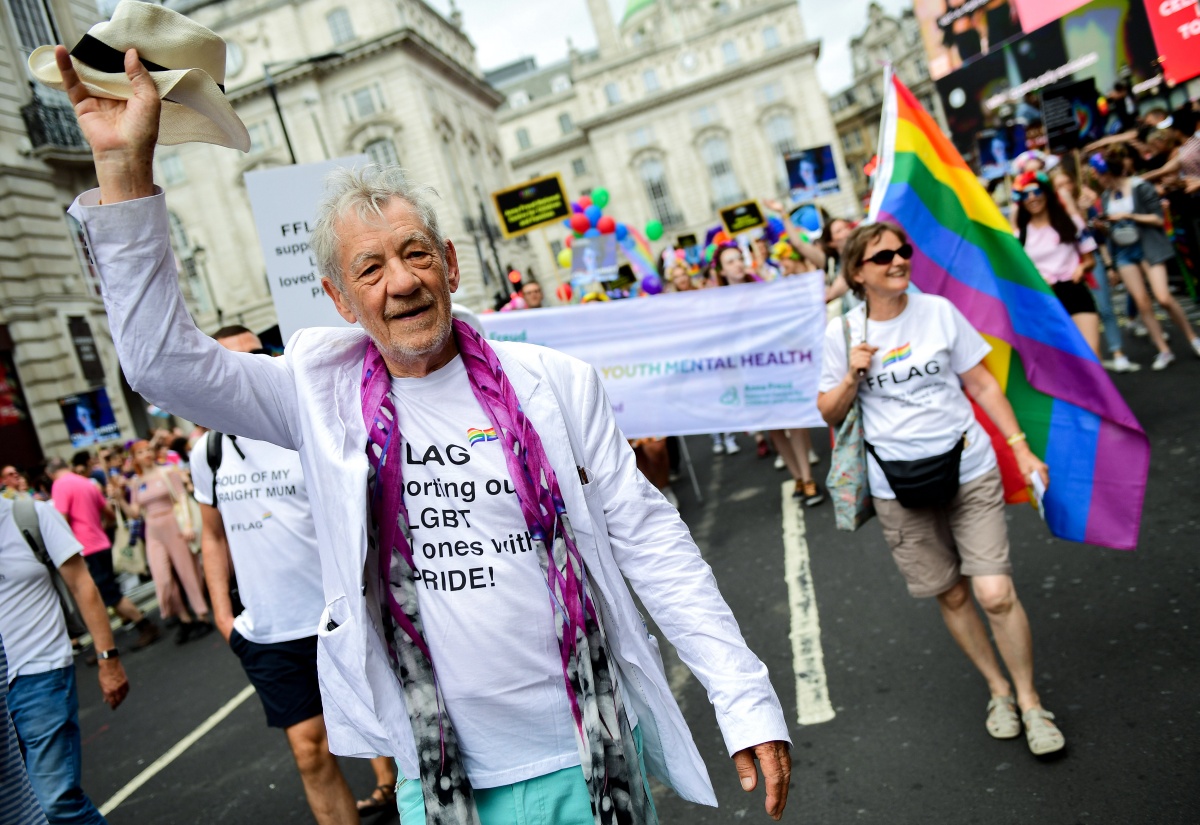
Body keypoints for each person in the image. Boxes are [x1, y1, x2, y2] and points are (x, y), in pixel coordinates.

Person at [62, 46, 791, 824]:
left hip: (590, 751)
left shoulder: (553, 382)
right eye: (369, 269)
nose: (401, 281)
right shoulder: (316, 396)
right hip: (437, 775)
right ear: (342, 300)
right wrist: (123, 168)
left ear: (449, 263)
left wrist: (741, 694)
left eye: (415, 255)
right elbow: (161, 364)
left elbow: (651, 540)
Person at [816, 222, 1065, 757]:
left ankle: (1029, 700)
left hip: (968, 467)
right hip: (895, 485)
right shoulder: (841, 334)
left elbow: (981, 384)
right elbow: (828, 413)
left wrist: (1019, 447)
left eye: (903, 252)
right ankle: (997, 690)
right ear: (858, 273)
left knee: (994, 593)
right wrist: (851, 377)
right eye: (884, 257)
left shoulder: (939, 313)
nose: (899, 261)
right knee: (951, 593)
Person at [191, 324, 388, 825]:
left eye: (257, 356)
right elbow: (212, 537)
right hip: (269, 630)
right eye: (230, 363)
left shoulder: (306, 425)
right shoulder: (207, 453)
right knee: (309, 752)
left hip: (340, 613)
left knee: (390, 731)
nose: (247, 371)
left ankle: (400, 792)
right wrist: (222, 614)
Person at [0, 494, 131, 823]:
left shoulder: (30, 515)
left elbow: (82, 585)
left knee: (54, 800)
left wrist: (108, 659)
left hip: (39, 671)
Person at [1091, 147, 1200, 370]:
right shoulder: (1105, 197)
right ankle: (1163, 349)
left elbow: (1158, 219)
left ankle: (1193, 338)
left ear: (1108, 172)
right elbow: (1111, 231)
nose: (1097, 179)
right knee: (1142, 302)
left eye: (1098, 174)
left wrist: (1128, 215)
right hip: (1123, 251)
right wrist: (1105, 227)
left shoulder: (1140, 187)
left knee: (1163, 297)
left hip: (1147, 246)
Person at [46, 458, 160, 652]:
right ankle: (110, 642)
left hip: (85, 547)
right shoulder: (86, 482)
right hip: (101, 542)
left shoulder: (60, 485)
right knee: (105, 592)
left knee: (107, 594)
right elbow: (107, 512)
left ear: (50, 474)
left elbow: (61, 520)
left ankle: (144, 624)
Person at [110, 441, 212, 644]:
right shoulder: (138, 482)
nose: (146, 454)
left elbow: (182, 497)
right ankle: (183, 617)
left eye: (148, 449)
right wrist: (120, 499)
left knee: (187, 572)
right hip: (152, 530)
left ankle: (200, 615)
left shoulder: (167, 471)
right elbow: (135, 513)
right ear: (135, 458)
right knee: (162, 576)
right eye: (140, 452)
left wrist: (188, 526)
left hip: (174, 524)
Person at [1011, 171, 1102, 357]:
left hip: (1075, 290)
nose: (1032, 198)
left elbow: (1090, 261)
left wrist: (1082, 268)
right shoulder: (1019, 236)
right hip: (1044, 299)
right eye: (1025, 195)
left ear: (1046, 193)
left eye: (1036, 192)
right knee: (1064, 360)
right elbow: (1018, 274)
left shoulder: (1071, 223)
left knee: (1091, 355)